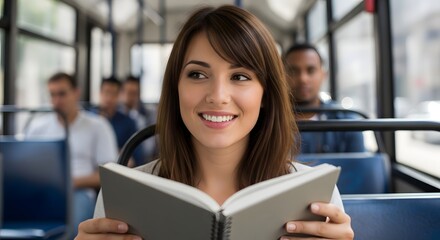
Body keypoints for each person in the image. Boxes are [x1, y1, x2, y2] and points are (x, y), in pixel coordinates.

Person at [76, 5, 354, 240]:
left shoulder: (314, 196)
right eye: (197, 75)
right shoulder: (124, 197)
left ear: (266, 94)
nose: (218, 97)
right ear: (175, 88)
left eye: (240, 76)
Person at [26, 72, 118, 237]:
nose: (57, 101)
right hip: (41, 190)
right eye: (52, 95)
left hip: (79, 191)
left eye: (62, 94)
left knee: (70, 225)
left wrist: (70, 182)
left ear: (76, 93)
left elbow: (108, 174)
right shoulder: (37, 127)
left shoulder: (98, 126)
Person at [284, 43, 365, 153]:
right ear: (282, 76)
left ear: (323, 75)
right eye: (293, 71)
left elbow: (358, 167)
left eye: (311, 70)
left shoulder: (347, 121)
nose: (303, 79)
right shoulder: (269, 121)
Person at [93, 76, 143, 166]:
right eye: (106, 93)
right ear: (100, 93)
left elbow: (137, 157)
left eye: (114, 94)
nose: (109, 98)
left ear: (119, 95)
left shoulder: (128, 122)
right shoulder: (90, 118)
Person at [120, 76, 157, 164]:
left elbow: (150, 146)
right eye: (129, 93)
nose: (131, 97)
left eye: (134, 93)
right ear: (122, 93)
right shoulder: (117, 114)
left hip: (144, 158)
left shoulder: (148, 114)